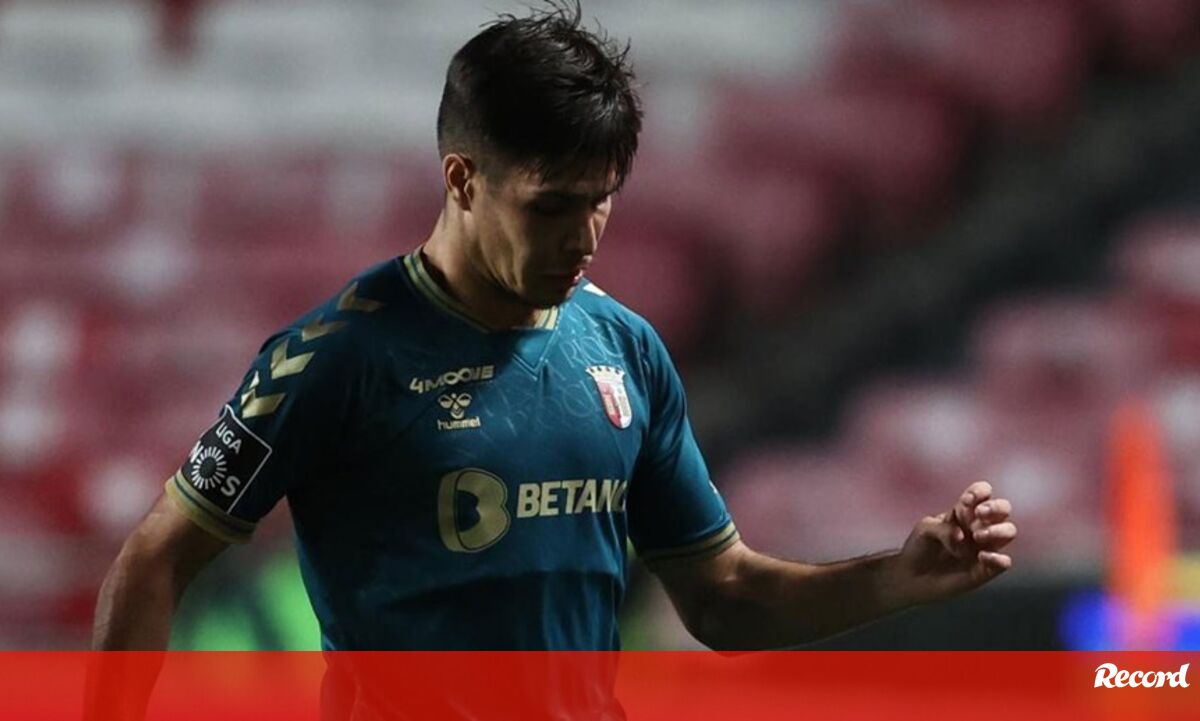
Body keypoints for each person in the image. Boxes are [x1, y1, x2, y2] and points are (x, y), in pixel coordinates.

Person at [92, 0, 1016, 714]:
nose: (583, 237)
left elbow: (724, 596)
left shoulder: (625, 350)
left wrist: (893, 577)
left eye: (600, 200)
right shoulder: (337, 358)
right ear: (462, 179)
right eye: (551, 207)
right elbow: (157, 556)